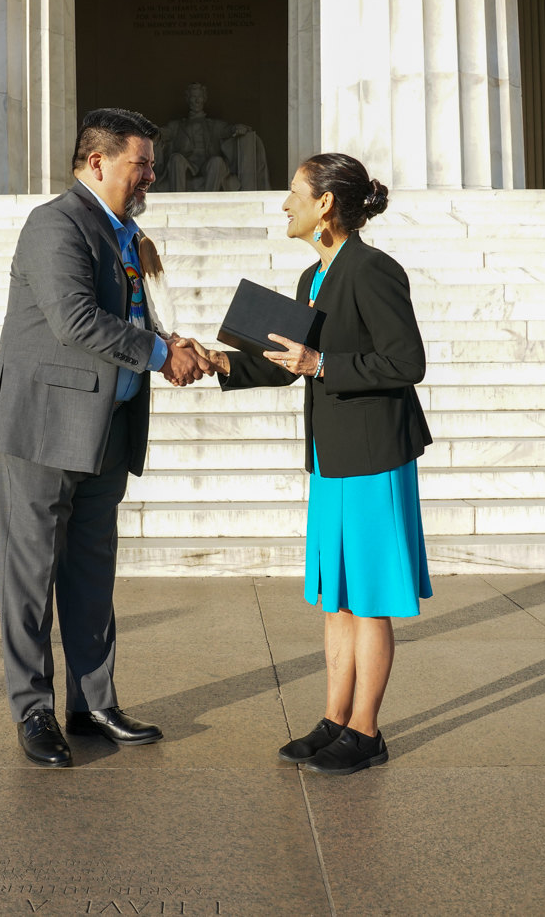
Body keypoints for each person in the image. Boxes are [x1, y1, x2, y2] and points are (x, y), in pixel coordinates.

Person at [180, 152, 432, 775]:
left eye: (295, 194)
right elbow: (284, 363)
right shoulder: (310, 280)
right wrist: (221, 362)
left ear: (325, 205)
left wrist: (323, 366)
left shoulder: (373, 271)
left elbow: (407, 362)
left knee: (368, 597)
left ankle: (367, 731)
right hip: (330, 456)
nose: (285, 205)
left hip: (374, 455)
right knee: (338, 597)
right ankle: (335, 719)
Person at [0, 108, 214, 768]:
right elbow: (75, 319)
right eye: (140, 163)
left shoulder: (126, 234)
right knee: (31, 578)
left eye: (150, 164)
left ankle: (92, 702)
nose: (151, 175)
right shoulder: (55, 224)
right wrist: (160, 355)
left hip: (105, 429)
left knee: (90, 571)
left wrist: (170, 343)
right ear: (96, 163)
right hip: (41, 429)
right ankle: (33, 708)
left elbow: (132, 313)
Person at [151, 82, 271, 192]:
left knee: (217, 161)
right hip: (187, 164)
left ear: (204, 99)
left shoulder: (215, 125)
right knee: (176, 159)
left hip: (208, 164)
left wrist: (238, 128)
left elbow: (229, 130)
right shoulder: (177, 125)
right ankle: (177, 200)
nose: (196, 101)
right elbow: (164, 132)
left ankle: (210, 196)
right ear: (188, 99)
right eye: (193, 97)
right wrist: (154, 132)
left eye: (199, 97)